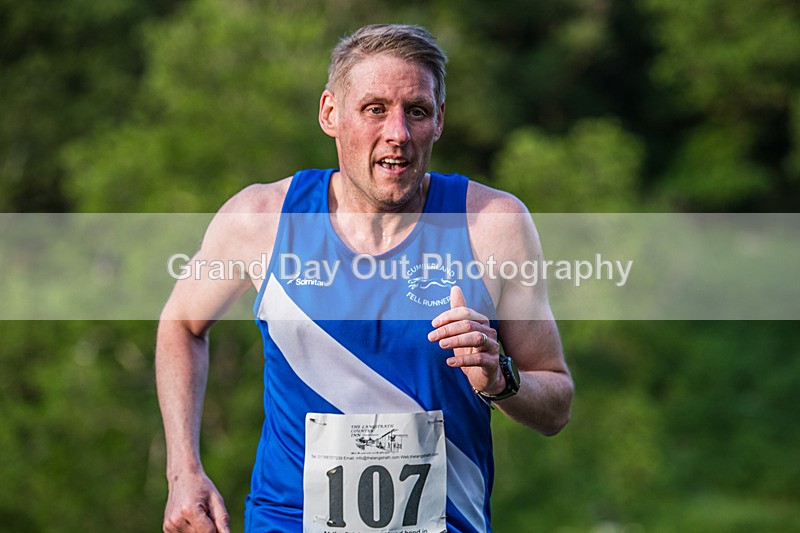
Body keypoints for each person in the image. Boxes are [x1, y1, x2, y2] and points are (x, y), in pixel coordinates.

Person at [156, 23, 573, 533]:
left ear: (439, 121)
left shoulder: (492, 226)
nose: (397, 133)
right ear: (330, 113)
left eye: (415, 111)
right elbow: (180, 324)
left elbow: (555, 404)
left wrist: (501, 378)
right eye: (374, 109)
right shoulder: (261, 219)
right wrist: (184, 471)